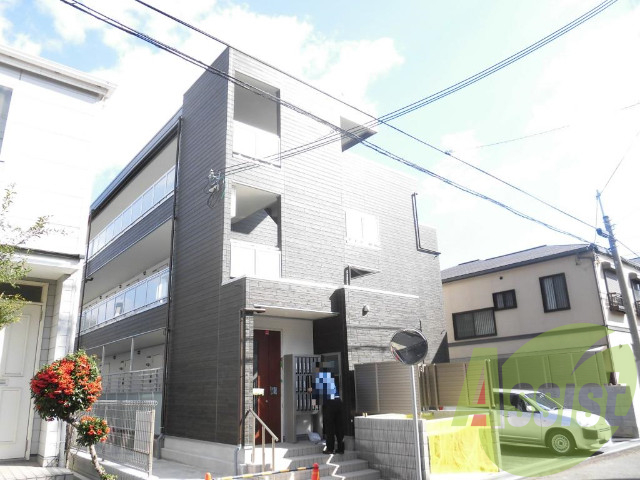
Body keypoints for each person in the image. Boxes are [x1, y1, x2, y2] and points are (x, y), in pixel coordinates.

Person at [310, 362, 344, 454]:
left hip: (329, 403)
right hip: (338, 402)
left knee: (329, 427)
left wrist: (314, 405)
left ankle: (330, 449)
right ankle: (341, 449)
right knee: (339, 427)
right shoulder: (330, 378)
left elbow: (315, 394)